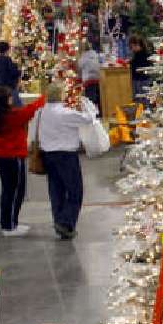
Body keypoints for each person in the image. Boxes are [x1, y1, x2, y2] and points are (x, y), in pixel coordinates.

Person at [0, 87, 46, 236]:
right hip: (13, 158)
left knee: (9, 191)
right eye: (9, 97)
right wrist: (46, 96)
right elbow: (32, 108)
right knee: (15, 192)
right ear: (5, 101)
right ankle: (9, 226)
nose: (12, 99)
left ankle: (11, 223)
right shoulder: (14, 116)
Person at [35, 84, 93, 240]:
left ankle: (60, 223)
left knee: (56, 191)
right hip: (66, 156)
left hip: (48, 155)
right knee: (75, 191)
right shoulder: (65, 113)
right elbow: (88, 119)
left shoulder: (41, 112)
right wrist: (86, 105)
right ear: (61, 95)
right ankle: (65, 222)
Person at [0, 41, 22, 106]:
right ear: (7, 50)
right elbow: (13, 72)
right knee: (18, 105)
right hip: (9, 86)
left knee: (1, 105)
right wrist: (18, 69)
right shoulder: (7, 59)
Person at [78, 41, 102, 108]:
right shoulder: (95, 54)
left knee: (90, 98)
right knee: (98, 96)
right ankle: (99, 111)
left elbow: (79, 66)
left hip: (88, 80)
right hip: (97, 78)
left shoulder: (84, 56)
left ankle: (92, 112)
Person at [129, 35, 153, 102]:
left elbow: (139, 66)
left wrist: (131, 63)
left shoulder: (145, 54)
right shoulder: (136, 54)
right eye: (132, 46)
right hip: (136, 79)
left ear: (140, 45)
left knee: (143, 99)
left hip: (143, 79)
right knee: (137, 98)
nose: (133, 48)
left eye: (135, 46)